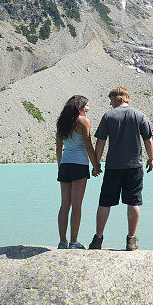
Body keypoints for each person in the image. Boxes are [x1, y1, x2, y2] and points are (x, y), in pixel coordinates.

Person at [88, 87, 153, 251]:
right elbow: (148, 140)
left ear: (118, 98)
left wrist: (96, 164)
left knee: (105, 202)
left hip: (113, 167)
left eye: (111, 100)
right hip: (134, 166)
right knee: (133, 202)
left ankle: (97, 239)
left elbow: (100, 142)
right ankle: (131, 240)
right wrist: (151, 158)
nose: (110, 104)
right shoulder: (139, 115)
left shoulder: (108, 116)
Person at [55, 95, 100, 249]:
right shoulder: (83, 121)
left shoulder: (62, 122)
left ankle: (62, 242)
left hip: (65, 165)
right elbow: (88, 146)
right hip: (79, 164)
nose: (88, 108)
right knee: (77, 205)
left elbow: (59, 147)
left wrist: (60, 166)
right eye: (86, 106)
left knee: (64, 205)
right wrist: (96, 166)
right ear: (80, 106)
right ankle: (74, 242)